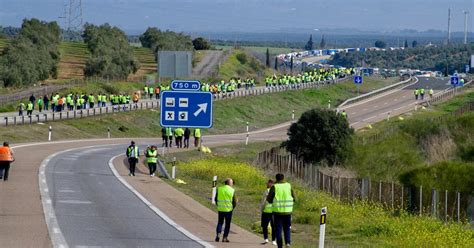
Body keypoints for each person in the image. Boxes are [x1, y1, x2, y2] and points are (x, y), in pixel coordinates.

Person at [267, 173, 295, 248]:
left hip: (277, 212)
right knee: (287, 228)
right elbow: (295, 198)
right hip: (288, 212)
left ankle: (280, 246)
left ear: (276, 179)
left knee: (278, 229)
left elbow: (269, 199)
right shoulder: (288, 185)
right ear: (283, 178)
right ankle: (288, 243)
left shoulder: (274, 187)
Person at [215, 178, 237, 243]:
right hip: (228, 210)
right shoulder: (232, 190)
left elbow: (215, 199)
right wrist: (233, 207)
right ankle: (225, 237)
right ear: (229, 183)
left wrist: (218, 205)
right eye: (232, 183)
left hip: (221, 209)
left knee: (220, 222)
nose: (232, 184)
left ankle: (218, 234)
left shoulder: (219, 189)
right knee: (227, 224)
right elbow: (234, 201)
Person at [261, 179, 276, 245]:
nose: (266, 184)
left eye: (268, 183)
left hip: (267, 211)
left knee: (265, 226)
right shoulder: (276, 191)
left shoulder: (267, 191)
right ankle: (273, 240)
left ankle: (266, 239)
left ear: (271, 184)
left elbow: (263, 202)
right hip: (273, 211)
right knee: (273, 226)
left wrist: (262, 209)